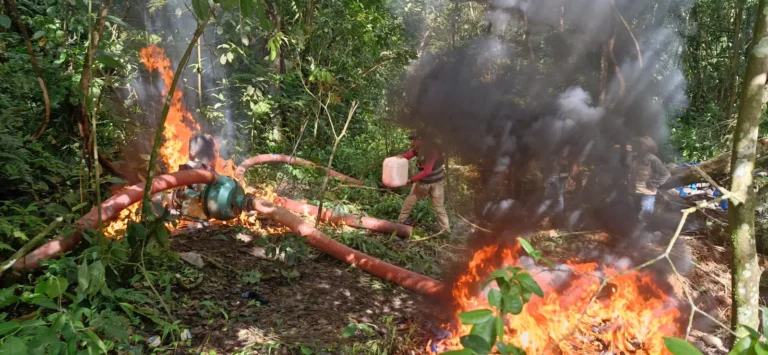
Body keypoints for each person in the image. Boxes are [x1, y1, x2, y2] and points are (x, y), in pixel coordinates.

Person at [394, 133, 450, 232]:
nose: (413, 142)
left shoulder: (433, 151)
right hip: (423, 182)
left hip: (436, 184)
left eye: (414, 140)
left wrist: (411, 180)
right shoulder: (418, 148)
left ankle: (445, 230)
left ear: (422, 140)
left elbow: (427, 171)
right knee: (410, 201)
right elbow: (410, 154)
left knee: (439, 207)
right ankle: (401, 221)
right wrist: (403, 156)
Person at [626, 136, 670, 221]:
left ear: (647, 147)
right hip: (634, 192)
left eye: (640, 145)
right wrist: (629, 153)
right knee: (635, 218)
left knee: (644, 218)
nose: (638, 147)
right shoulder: (635, 158)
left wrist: (653, 183)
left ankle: (646, 233)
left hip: (647, 194)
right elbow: (628, 167)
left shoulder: (653, 160)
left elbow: (666, 174)